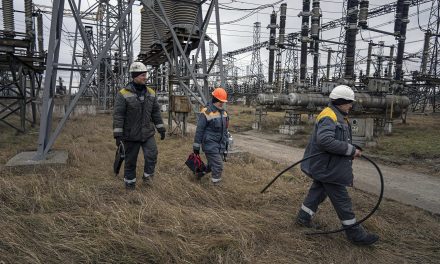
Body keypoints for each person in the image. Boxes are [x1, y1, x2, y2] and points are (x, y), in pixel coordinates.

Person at [296, 85, 379, 246]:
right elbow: (325, 140)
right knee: (343, 201)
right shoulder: (329, 115)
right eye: (349, 103)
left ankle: (302, 218)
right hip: (329, 168)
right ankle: (355, 235)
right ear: (341, 102)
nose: (351, 106)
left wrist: (354, 149)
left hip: (326, 166)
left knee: (317, 193)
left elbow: (338, 139)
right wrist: (350, 151)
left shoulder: (338, 115)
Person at [113, 61, 166, 189]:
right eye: (143, 75)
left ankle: (148, 181)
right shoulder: (123, 94)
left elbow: (155, 112)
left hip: (147, 133)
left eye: (145, 75)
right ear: (135, 76)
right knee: (130, 161)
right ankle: (130, 186)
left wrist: (161, 128)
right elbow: (118, 115)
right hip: (130, 135)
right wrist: (118, 135)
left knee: (152, 155)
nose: (145, 77)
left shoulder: (151, 93)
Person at [193, 87, 229, 185]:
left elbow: (225, 132)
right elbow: (199, 130)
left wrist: (225, 147)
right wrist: (196, 146)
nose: (222, 103)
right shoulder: (206, 111)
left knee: (211, 165)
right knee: (218, 165)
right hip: (209, 144)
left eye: (223, 101)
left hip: (220, 145)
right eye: (220, 101)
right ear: (214, 99)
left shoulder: (224, 113)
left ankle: (199, 174)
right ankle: (216, 186)